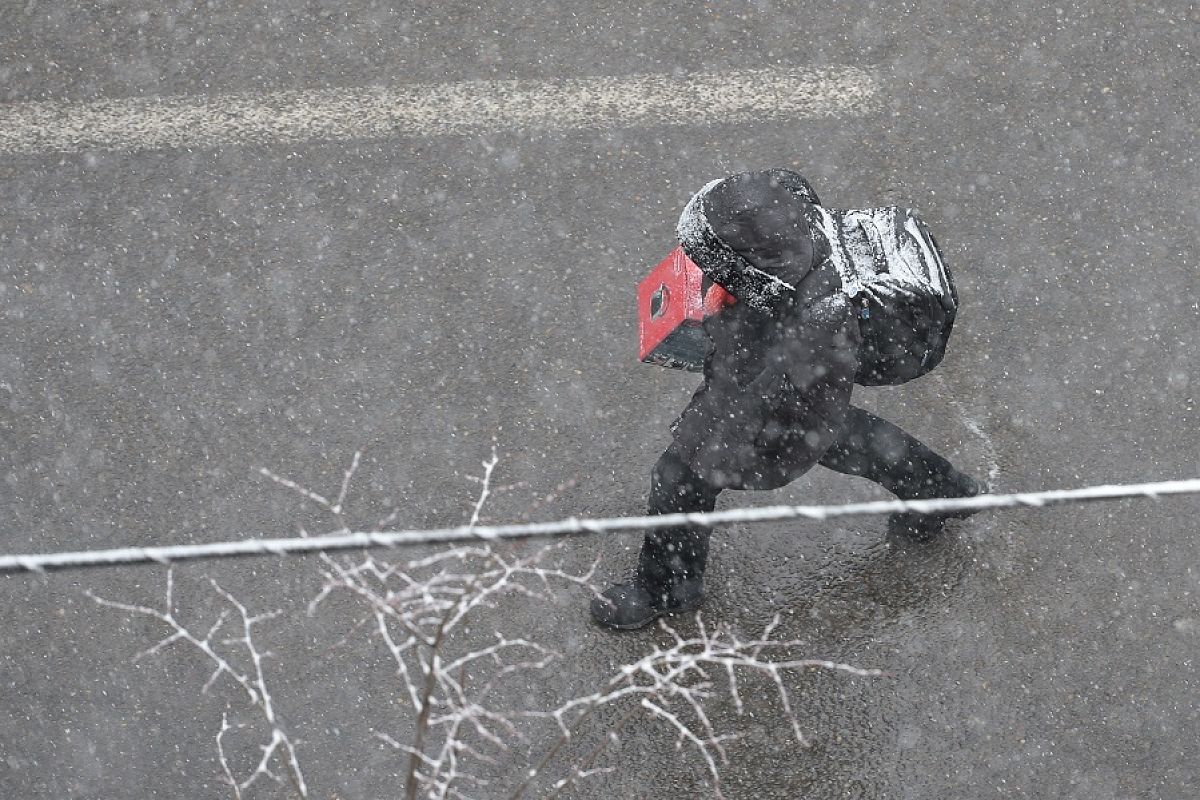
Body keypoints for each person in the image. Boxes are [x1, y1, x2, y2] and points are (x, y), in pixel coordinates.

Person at [592, 168, 982, 630]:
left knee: (679, 477)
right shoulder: (792, 239)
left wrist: (700, 432)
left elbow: (746, 404)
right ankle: (938, 488)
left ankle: (667, 586)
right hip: (804, 388)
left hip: (787, 394)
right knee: (838, 433)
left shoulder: (813, 326)